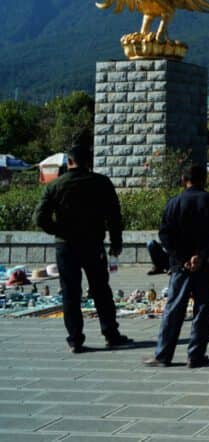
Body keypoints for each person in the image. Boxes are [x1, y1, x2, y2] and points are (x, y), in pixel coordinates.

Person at [33, 145, 132, 353]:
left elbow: (39, 218)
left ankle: (75, 339)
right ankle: (111, 334)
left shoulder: (55, 186)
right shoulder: (101, 183)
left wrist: (58, 230)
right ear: (89, 162)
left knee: (70, 292)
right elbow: (114, 216)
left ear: (69, 162)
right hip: (93, 244)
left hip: (66, 246)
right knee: (101, 289)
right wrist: (116, 242)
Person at [144, 164, 209, 368]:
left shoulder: (174, 203)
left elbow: (165, 235)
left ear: (183, 180)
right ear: (204, 179)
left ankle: (163, 354)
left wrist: (182, 258)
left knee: (174, 308)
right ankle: (195, 355)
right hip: (206, 264)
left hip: (180, 266)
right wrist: (200, 255)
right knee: (202, 308)